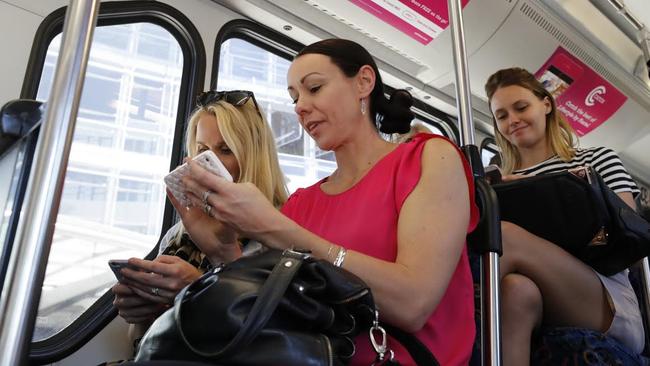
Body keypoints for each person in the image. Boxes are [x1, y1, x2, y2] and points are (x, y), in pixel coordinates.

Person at [179, 39, 479, 365]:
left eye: (314, 88)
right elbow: (266, 312)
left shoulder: (428, 157)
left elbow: (413, 303)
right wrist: (221, 251)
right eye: (294, 98)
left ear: (364, 82)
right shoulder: (301, 203)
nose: (300, 107)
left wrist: (276, 229)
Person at [485, 67, 644, 365]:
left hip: (604, 297)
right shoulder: (500, 184)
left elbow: (628, 236)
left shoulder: (595, 160)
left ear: (546, 104)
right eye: (502, 116)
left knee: (504, 235)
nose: (513, 120)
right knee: (515, 291)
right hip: (535, 297)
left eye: (521, 107)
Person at [111, 90, 288, 336]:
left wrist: (195, 287)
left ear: (253, 158)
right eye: (202, 150)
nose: (209, 163)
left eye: (225, 150)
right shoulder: (178, 235)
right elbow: (143, 341)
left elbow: (269, 334)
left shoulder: (280, 234)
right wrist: (143, 310)